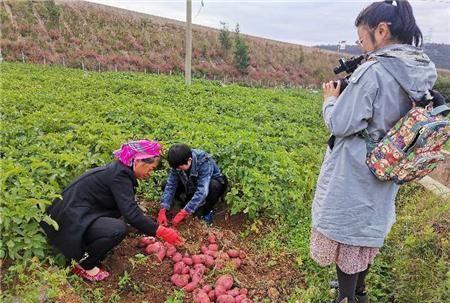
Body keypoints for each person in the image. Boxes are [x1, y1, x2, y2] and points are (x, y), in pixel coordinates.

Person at [309, 1, 437, 303]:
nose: (362, 47)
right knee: (366, 232)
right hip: (388, 163)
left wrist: (330, 100)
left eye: (363, 40)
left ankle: (346, 298)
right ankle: (360, 293)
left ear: (382, 31)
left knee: (348, 234)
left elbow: (341, 123)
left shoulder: (375, 71)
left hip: (357, 166)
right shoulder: (420, 69)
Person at [40, 140, 183, 282]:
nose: (150, 173)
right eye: (150, 168)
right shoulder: (119, 177)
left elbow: (129, 208)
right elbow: (131, 213)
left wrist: (150, 226)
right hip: (65, 223)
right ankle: (84, 264)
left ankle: (88, 247)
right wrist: (160, 231)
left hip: (73, 215)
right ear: (138, 162)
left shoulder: (119, 171)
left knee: (123, 221)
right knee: (117, 229)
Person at [157, 144, 228, 227]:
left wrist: (185, 212)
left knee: (213, 185)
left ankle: (207, 212)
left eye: (180, 167)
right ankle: (181, 204)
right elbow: (171, 184)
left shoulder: (204, 161)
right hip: (190, 184)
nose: (178, 170)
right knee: (165, 184)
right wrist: (163, 209)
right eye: (176, 168)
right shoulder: (178, 163)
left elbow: (202, 191)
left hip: (209, 186)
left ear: (189, 160)